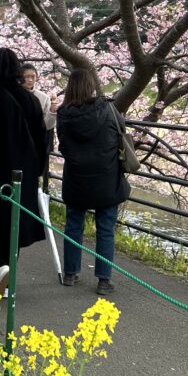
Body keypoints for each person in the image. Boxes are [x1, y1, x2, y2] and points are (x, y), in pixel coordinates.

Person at [0, 48, 48, 296]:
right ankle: (6, 275)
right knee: (14, 224)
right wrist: (38, 170)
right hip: (23, 173)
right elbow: (42, 138)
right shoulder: (30, 100)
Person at [57, 68, 130, 296]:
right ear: (91, 86)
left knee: (73, 226)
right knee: (105, 229)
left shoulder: (63, 114)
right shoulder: (108, 108)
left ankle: (70, 274)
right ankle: (103, 280)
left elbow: (62, 145)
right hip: (106, 178)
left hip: (76, 177)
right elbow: (121, 131)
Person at [21, 63, 58, 161]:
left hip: (35, 142)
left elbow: (47, 125)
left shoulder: (43, 97)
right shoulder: (12, 95)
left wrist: (52, 111)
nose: (30, 80)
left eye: (33, 77)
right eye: (27, 77)